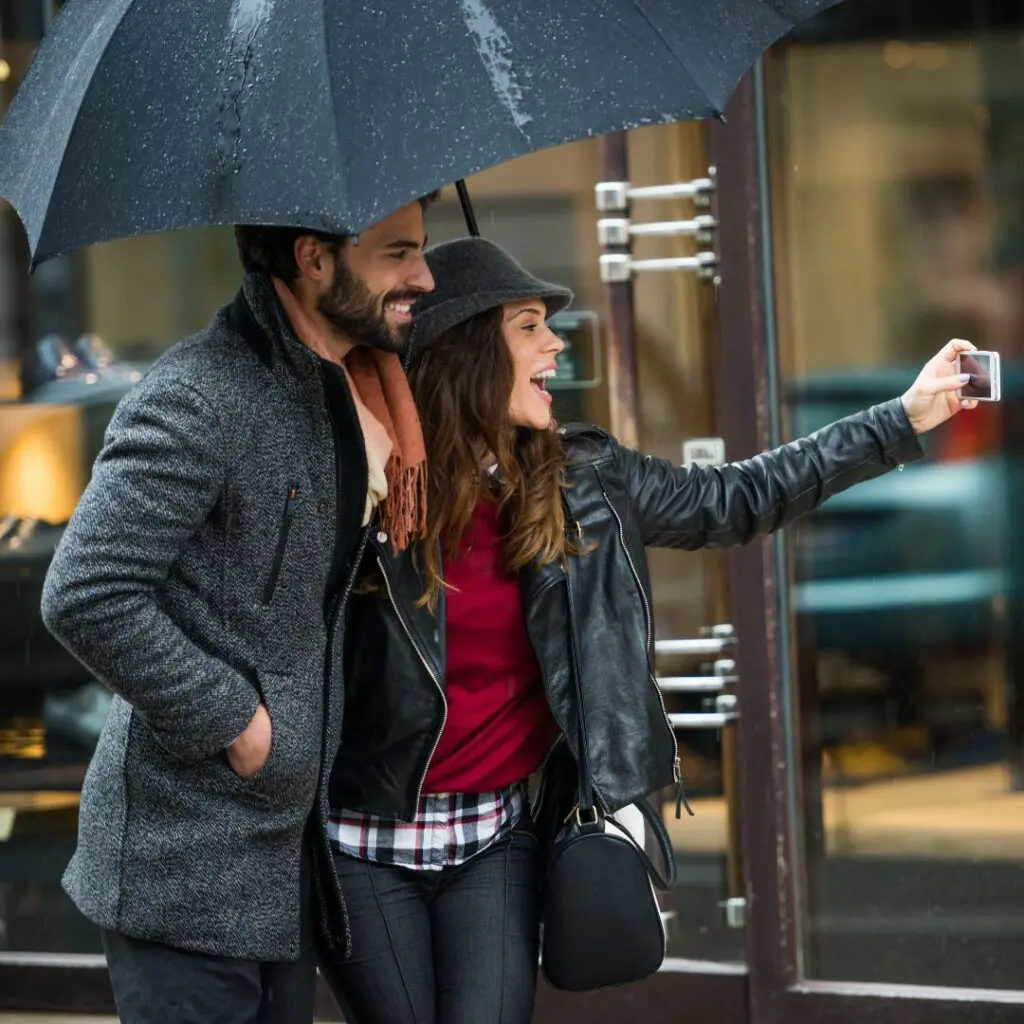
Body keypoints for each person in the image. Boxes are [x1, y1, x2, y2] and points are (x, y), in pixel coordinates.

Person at [316, 236, 979, 1024]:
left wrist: (903, 417)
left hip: (493, 835)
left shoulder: (581, 478)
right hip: (362, 843)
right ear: (467, 353)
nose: (556, 344)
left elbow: (734, 500)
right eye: (530, 326)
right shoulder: (363, 491)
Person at [39, 195, 437, 1024]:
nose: (422, 276)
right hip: (181, 862)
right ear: (313, 257)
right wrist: (241, 724)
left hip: (280, 860)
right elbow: (86, 590)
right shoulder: (202, 391)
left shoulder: (341, 388)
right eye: (398, 253)